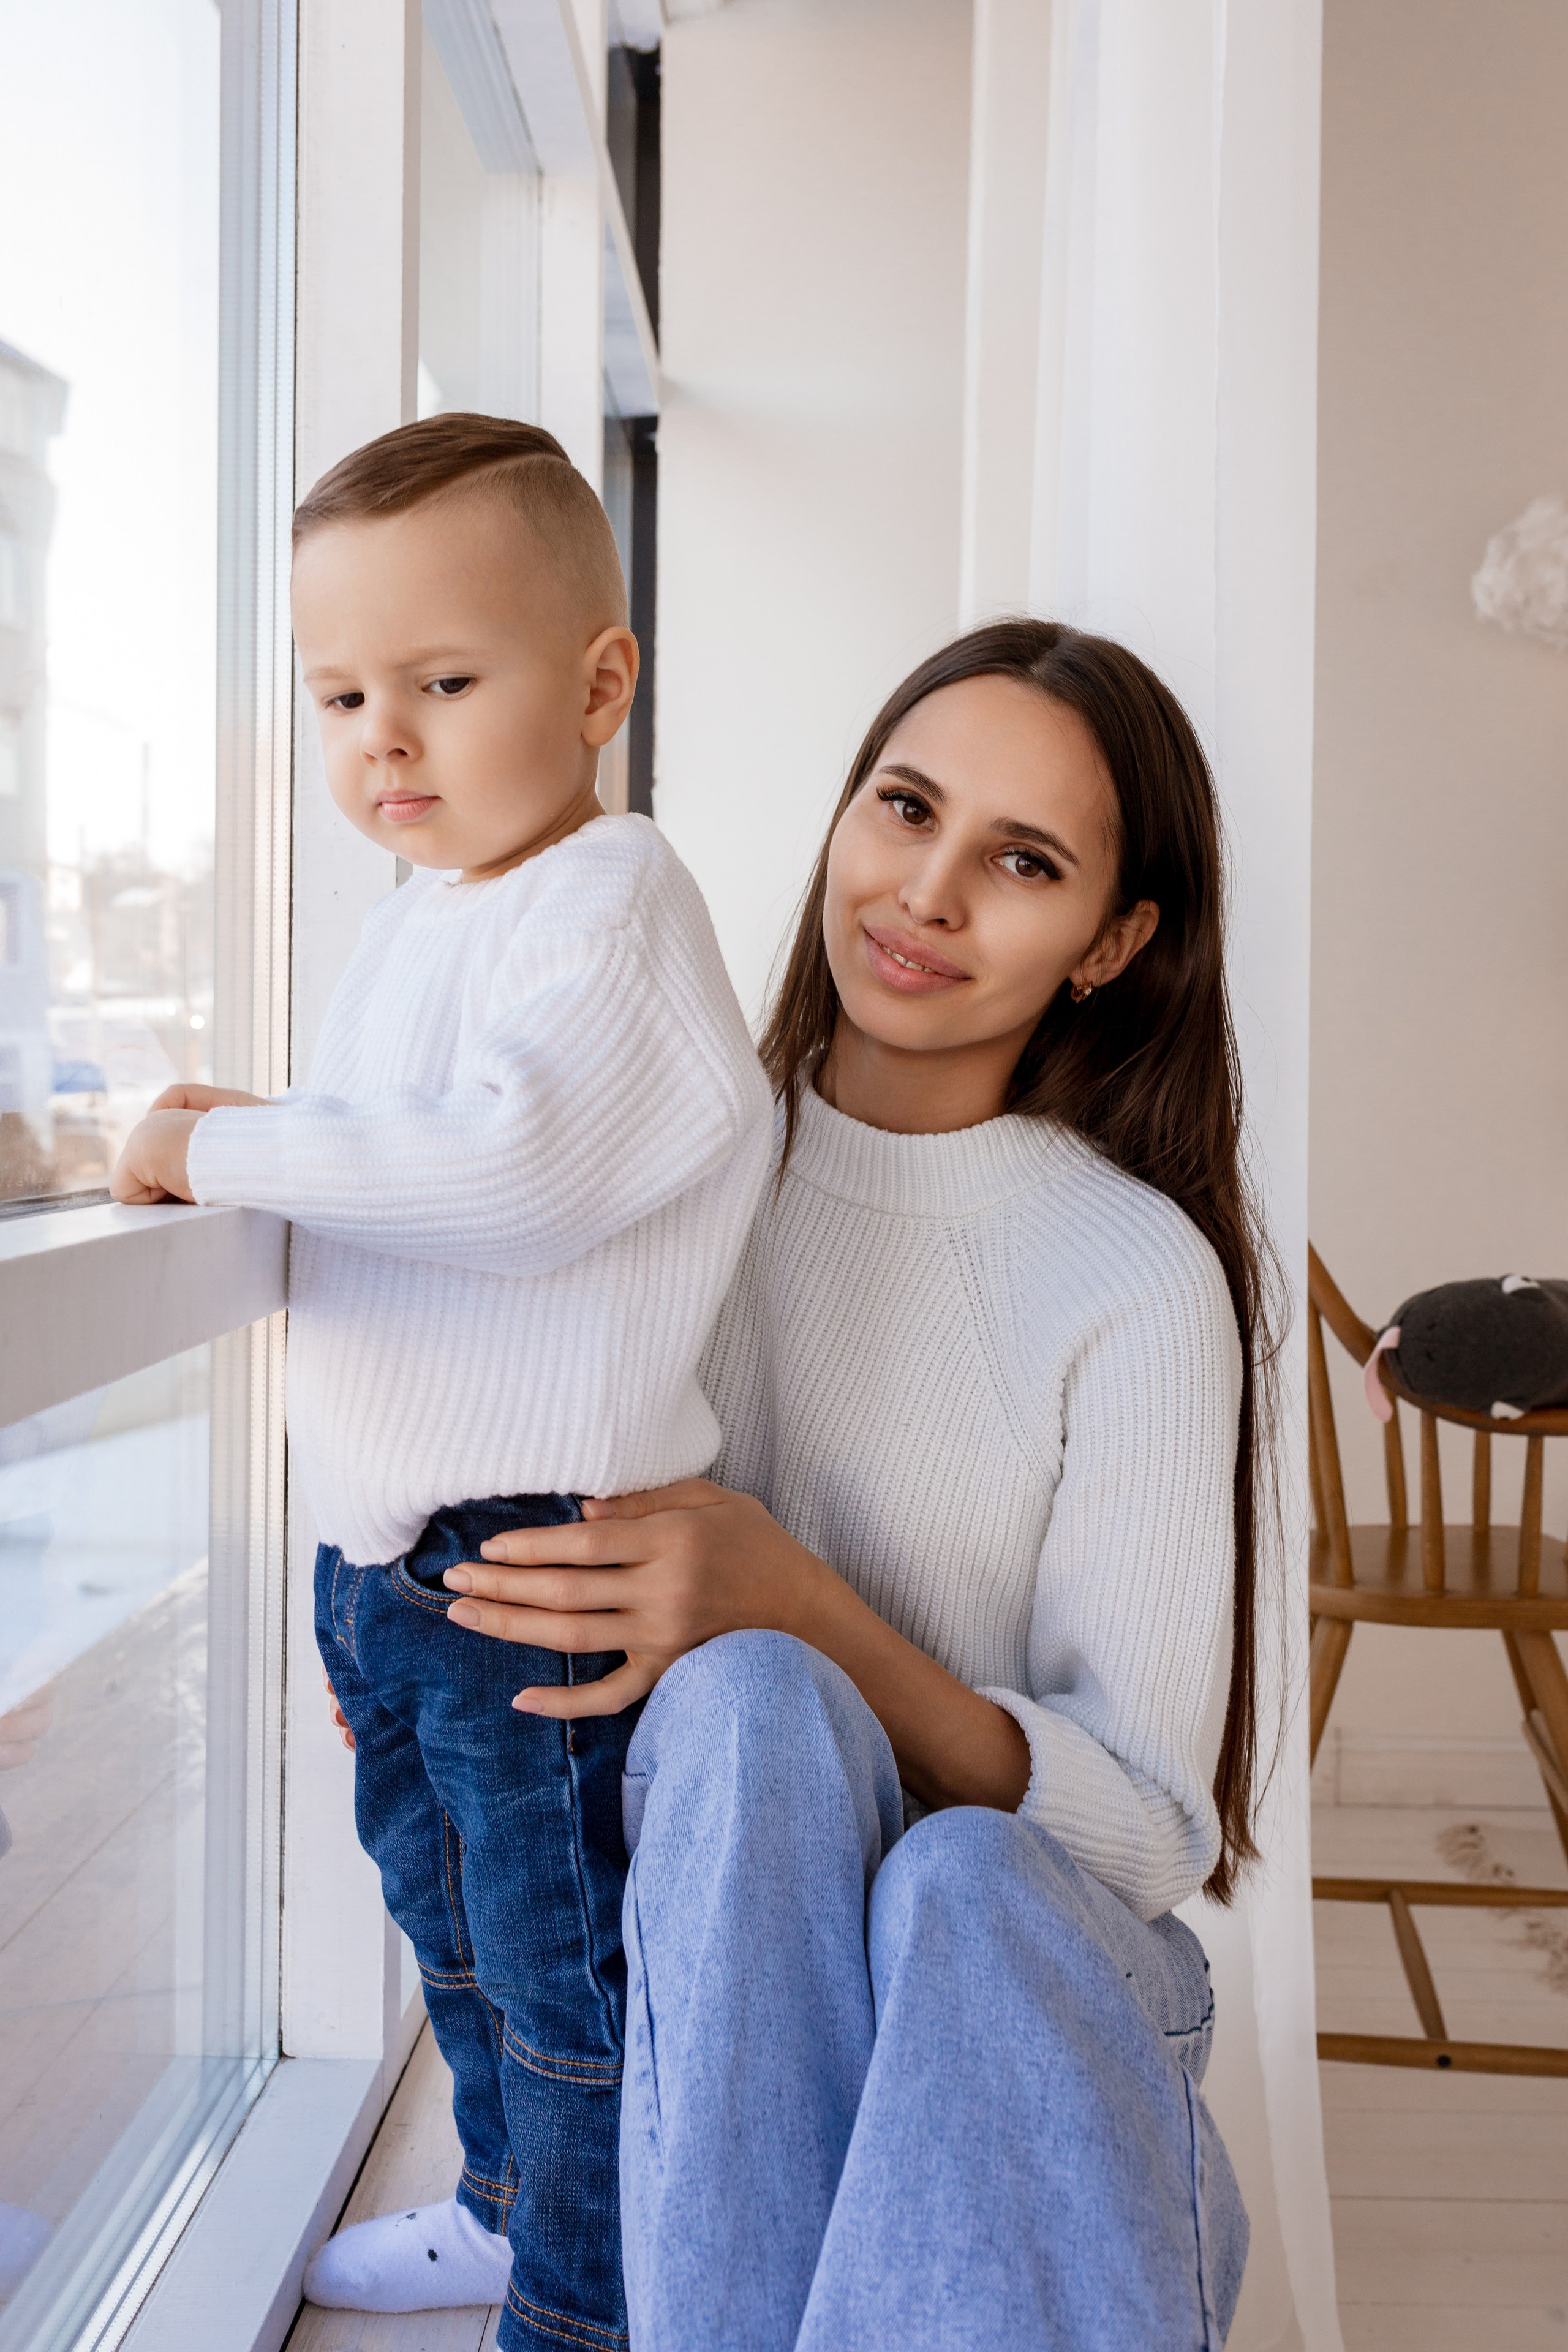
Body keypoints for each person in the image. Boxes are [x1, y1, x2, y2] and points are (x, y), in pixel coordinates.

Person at [437, 619, 1268, 2348]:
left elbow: (1147, 1828)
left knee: (955, 1873)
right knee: (749, 1709)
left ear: (1115, 942)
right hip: (718, 1967)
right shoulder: (663, 1173)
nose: (929, 894)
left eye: (1023, 863)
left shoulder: (1134, 1274)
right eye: (906, 807)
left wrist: (803, 1602)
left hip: (1026, 1988)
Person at [108, 415, 773, 2352]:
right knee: (454, 1941)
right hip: (403, 1568)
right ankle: (505, 2209)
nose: (381, 740)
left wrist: (219, 1149)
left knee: (566, 1980)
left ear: (599, 686)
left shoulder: (613, 900)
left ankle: (589, 2306)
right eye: (339, 696)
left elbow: (514, 1163)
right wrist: (274, 1127)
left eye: (443, 684)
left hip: (530, 1558)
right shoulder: (426, 917)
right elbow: (405, 1158)